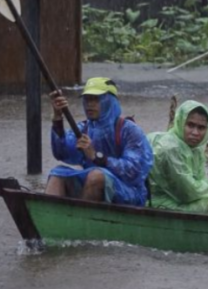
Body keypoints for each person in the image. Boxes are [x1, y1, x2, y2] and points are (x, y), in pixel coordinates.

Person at [45, 77, 154, 206]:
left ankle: (81, 220)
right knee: (57, 174)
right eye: (87, 99)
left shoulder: (129, 130)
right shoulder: (83, 128)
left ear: (109, 101)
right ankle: (49, 217)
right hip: (92, 186)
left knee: (96, 176)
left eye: (96, 99)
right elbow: (61, 153)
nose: (90, 104)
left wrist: (97, 157)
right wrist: (57, 118)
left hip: (130, 192)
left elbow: (134, 172)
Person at [147, 100, 208, 213]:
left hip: (178, 199)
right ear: (180, 122)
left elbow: (199, 180)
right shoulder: (171, 149)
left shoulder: (194, 149)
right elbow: (187, 193)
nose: (195, 133)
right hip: (162, 204)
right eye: (190, 125)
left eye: (201, 128)